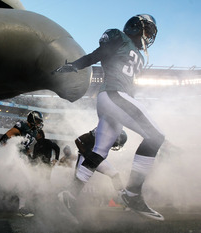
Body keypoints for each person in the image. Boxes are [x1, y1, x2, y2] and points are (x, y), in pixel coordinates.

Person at [54, 14, 165, 221]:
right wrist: (74, 66)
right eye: (147, 30)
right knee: (156, 136)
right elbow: (98, 54)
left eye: (151, 33)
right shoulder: (119, 37)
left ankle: (70, 194)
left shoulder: (139, 57)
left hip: (117, 101)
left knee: (99, 152)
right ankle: (132, 195)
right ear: (135, 26)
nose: (148, 36)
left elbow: (129, 84)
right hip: (114, 95)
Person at [0, 110, 44, 217]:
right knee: (23, 182)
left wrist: (28, 158)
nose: (39, 124)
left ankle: (20, 207)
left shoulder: (34, 132)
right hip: (14, 158)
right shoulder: (22, 126)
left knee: (20, 183)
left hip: (21, 159)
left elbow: (26, 147)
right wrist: (8, 155)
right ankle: (21, 208)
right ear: (31, 119)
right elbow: (5, 138)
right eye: (37, 121)